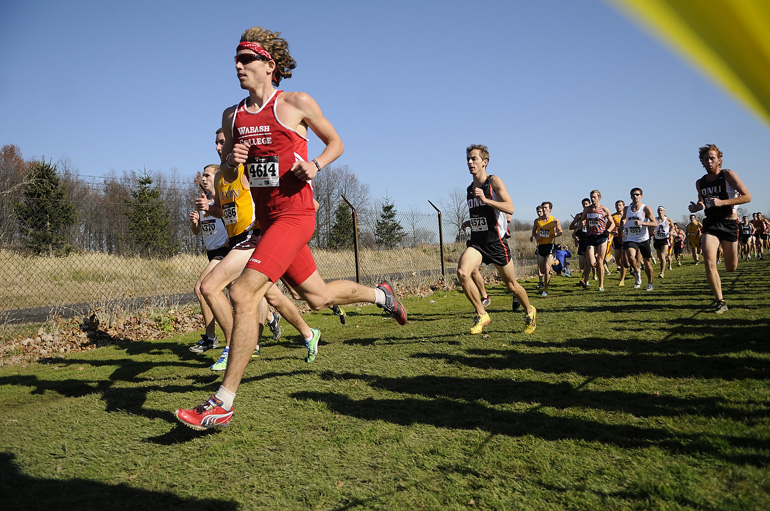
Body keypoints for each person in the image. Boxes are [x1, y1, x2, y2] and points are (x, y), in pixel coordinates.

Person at [176, 27, 407, 430]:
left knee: (242, 291)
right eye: (236, 60)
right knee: (316, 297)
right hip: (267, 223)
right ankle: (380, 295)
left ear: (269, 64)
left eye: (245, 59)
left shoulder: (296, 103)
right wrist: (232, 159)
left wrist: (315, 165)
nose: (237, 66)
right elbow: (231, 169)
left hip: (296, 215)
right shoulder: (232, 116)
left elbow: (336, 142)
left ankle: (222, 402)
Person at [198, 129, 320, 372]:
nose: (218, 146)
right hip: (236, 242)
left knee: (209, 286)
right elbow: (224, 212)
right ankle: (308, 333)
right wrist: (208, 210)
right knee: (276, 296)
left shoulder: (247, 168)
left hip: (255, 238)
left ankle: (234, 346)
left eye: (223, 142)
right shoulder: (223, 177)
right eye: (217, 143)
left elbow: (283, 189)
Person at [456, 144, 536, 335]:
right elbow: (483, 214)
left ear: (484, 162)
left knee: (512, 286)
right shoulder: (469, 189)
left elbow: (510, 208)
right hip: (478, 243)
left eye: (474, 158)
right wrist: (470, 222)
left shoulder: (493, 182)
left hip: (496, 243)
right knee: (462, 273)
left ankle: (530, 311)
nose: (469, 162)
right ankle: (482, 314)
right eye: (468, 159)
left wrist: (486, 200)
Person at [688, 143, 751, 313]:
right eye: (705, 159)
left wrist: (723, 202)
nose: (709, 161)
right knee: (709, 261)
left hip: (729, 223)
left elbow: (747, 197)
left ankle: (722, 293)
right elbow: (702, 200)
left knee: (731, 267)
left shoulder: (728, 175)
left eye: (712, 158)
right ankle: (720, 302)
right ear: (701, 161)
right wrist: (697, 207)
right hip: (711, 224)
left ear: (719, 160)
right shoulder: (700, 182)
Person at [188, 165, 229, 353]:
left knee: (200, 288)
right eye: (202, 176)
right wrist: (195, 223)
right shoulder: (203, 202)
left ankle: (211, 338)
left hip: (225, 251)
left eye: (207, 175)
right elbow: (197, 232)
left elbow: (231, 221)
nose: (203, 179)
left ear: (217, 177)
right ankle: (270, 318)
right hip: (211, 253)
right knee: (237, 290)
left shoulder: (223, 200)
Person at [579, 190, 615, 292]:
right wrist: (583, 223)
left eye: (594, 197)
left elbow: (612, 223)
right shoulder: (587, 209)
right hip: (590, 236)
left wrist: (608, 231)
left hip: (601, 237)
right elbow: (582, 220)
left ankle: (601, 285)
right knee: (590, 261)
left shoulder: (604, 209)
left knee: (600, 261)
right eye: (591, 197)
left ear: (599, 197)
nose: (593, 199)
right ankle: (587, 280)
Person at [622, 188, 656, 291]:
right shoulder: (627, 209)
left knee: (647, 263)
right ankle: (637, 275)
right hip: (631, 238)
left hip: (643, 238)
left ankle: (650, 282)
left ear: (641, 196)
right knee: (631, 257)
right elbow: (623, 218)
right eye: (633, 195)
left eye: (637, 194)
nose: (635, 197)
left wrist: (642, 223)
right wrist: (622, 225)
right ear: (630, 197)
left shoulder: (645, 208)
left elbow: (654, 223)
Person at [530, 202, 562, 296]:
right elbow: (534, 231)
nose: (544, 210)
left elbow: (560, 231)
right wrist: (536, 237)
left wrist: (556, 234)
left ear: (550, 209)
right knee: (542, 270)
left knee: (547, 268)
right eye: (543, 208)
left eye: (546, 208)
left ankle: (546, 289)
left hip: (550, 245)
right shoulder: (537, 221)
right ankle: (555, 262)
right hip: (541, 246)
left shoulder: (555, 220)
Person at [569, 198, 591, 277]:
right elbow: (571, 227)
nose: (585, 206)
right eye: (583, 204)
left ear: (589, 204)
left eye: (586, 204)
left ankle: (589, 276)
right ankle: (586, 272)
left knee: (590, 259)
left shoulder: (592, 214)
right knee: (582, 264)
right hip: (582, 239)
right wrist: (579, 225)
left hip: (590, 238)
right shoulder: (579, 216)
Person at [653, 206, 675, 278]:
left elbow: (672, 226)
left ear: (664, 211)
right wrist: (652, 232)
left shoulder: (668, 220)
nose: (660, 212)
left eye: (661, 210)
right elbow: (650, 227)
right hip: (657, 239)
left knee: (662, 256)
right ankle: (662, 268)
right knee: (659, 257)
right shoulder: (654, 220)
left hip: (665, 239)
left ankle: (662, 272)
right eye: (659, 210)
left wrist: (671, 231)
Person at [611, 200, 628, 286]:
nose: (618, 207)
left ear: (623, 206)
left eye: (620, 205)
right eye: (617, 205)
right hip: (617, 239)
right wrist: (613, 232)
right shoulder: (613, 216)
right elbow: (610, 227)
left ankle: (622, 280)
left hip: (626, 238)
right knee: (618, 260)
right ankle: (627, 268)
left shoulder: (628, 216)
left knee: (623, 259)